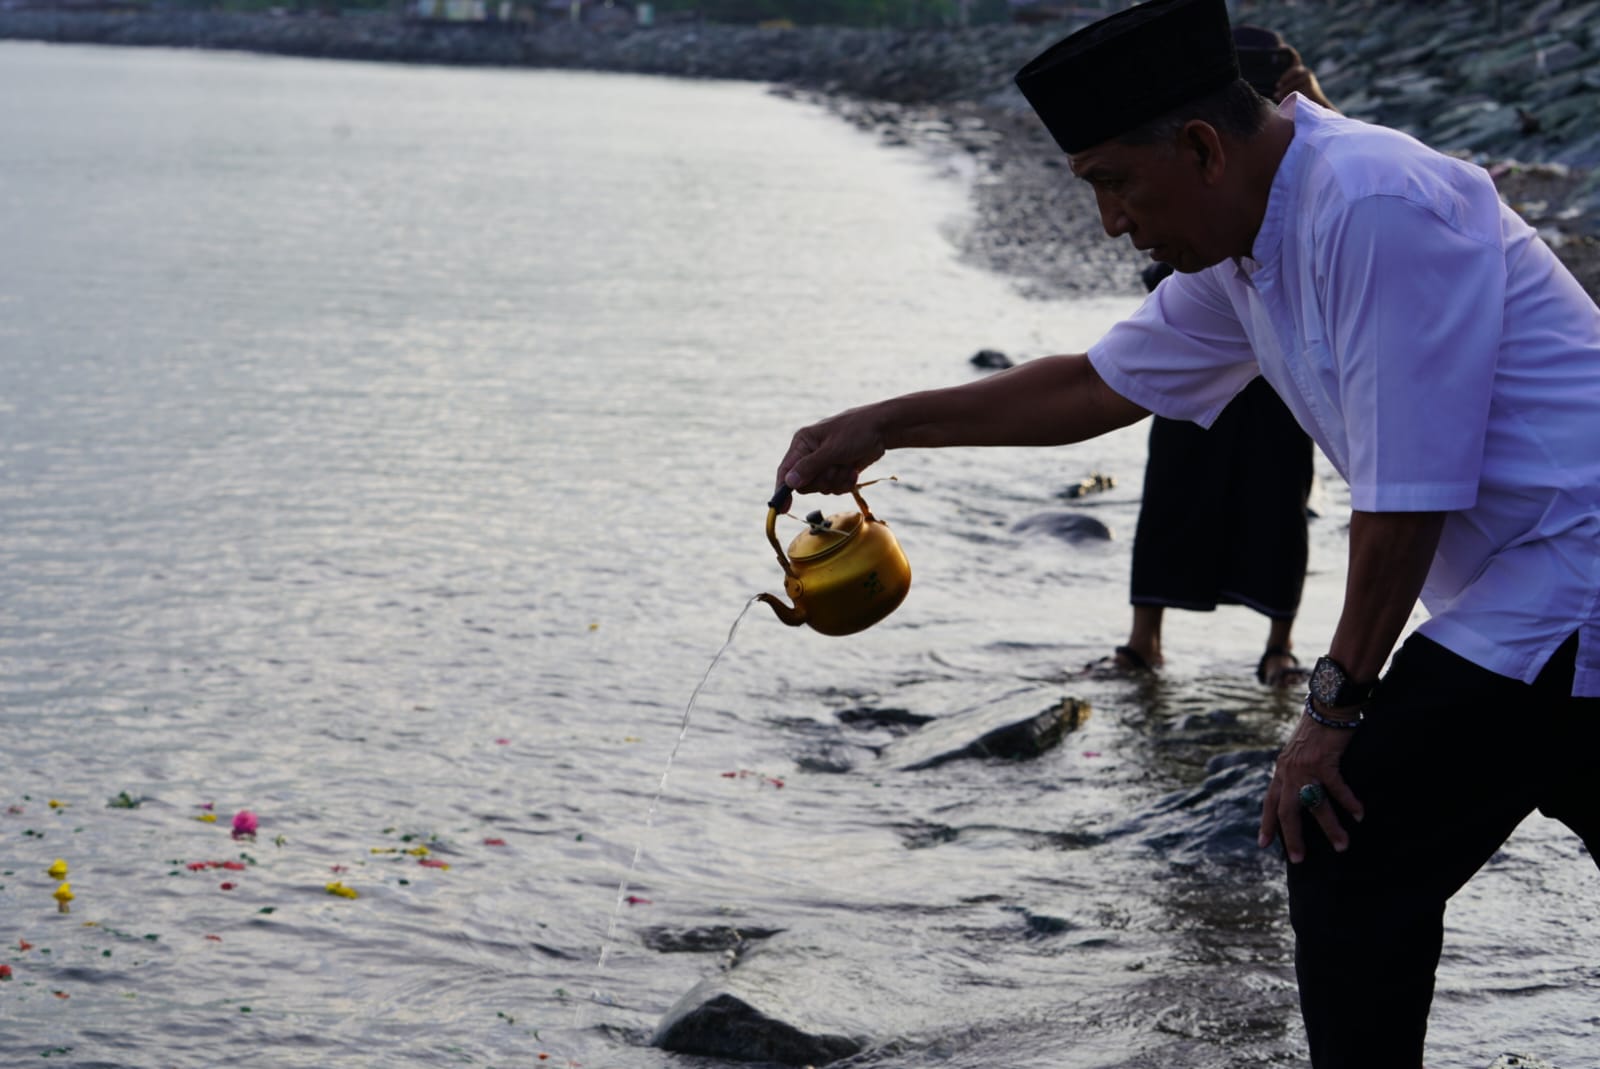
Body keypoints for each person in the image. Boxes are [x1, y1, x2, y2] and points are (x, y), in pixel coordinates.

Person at [770, 0, 1600, 1064]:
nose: (1110, 223)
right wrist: (882, 425)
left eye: (1111, 183)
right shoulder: (1243, 245)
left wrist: (1334, 707)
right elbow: (1093, 385)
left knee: (1343, 837)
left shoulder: (1376, 204)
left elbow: (1405, 495)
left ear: (1202, 147)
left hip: (1568, 570)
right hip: (1525, 590)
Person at [1113, 23, 1335, 688]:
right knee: (1173, 487)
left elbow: (1333, 176)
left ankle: (1279, 645)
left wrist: (1315, 100)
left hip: (1277, 366)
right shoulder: (1187, 157)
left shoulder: (1310, 152)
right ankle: (1144, 638)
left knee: (1280, 499)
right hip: (1203, 343)